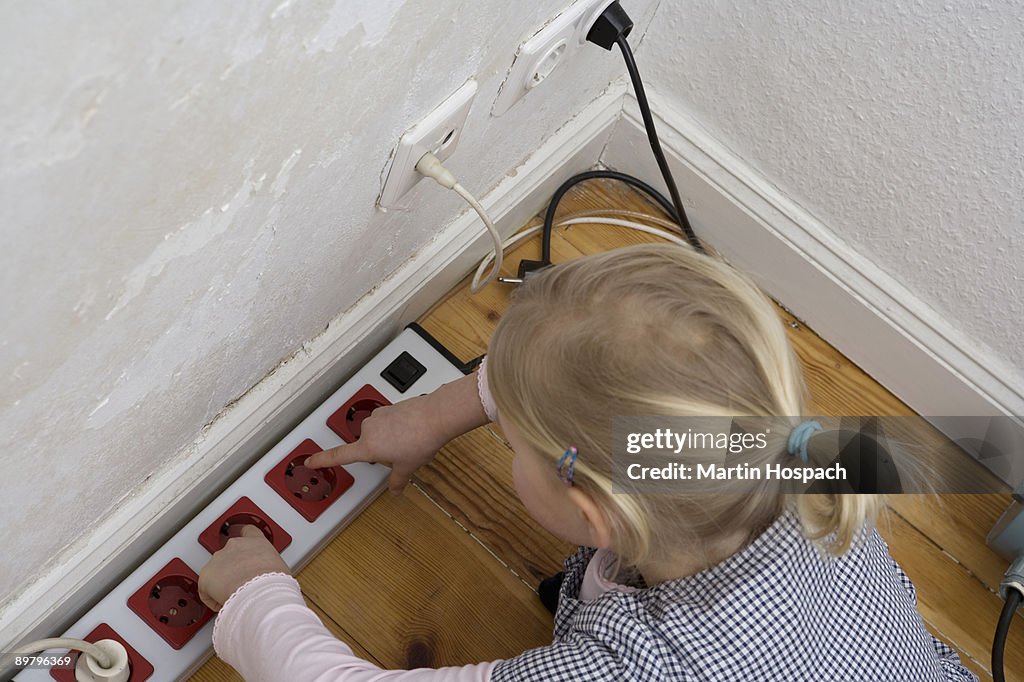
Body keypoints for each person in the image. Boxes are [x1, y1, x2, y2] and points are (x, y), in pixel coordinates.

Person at [198, 243, 976, 681]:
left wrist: (256, 596)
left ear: (594, 512)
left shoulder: (640, 672)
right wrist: (437, 415)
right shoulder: (797, 451)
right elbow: (580, 396)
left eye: (512, 443)